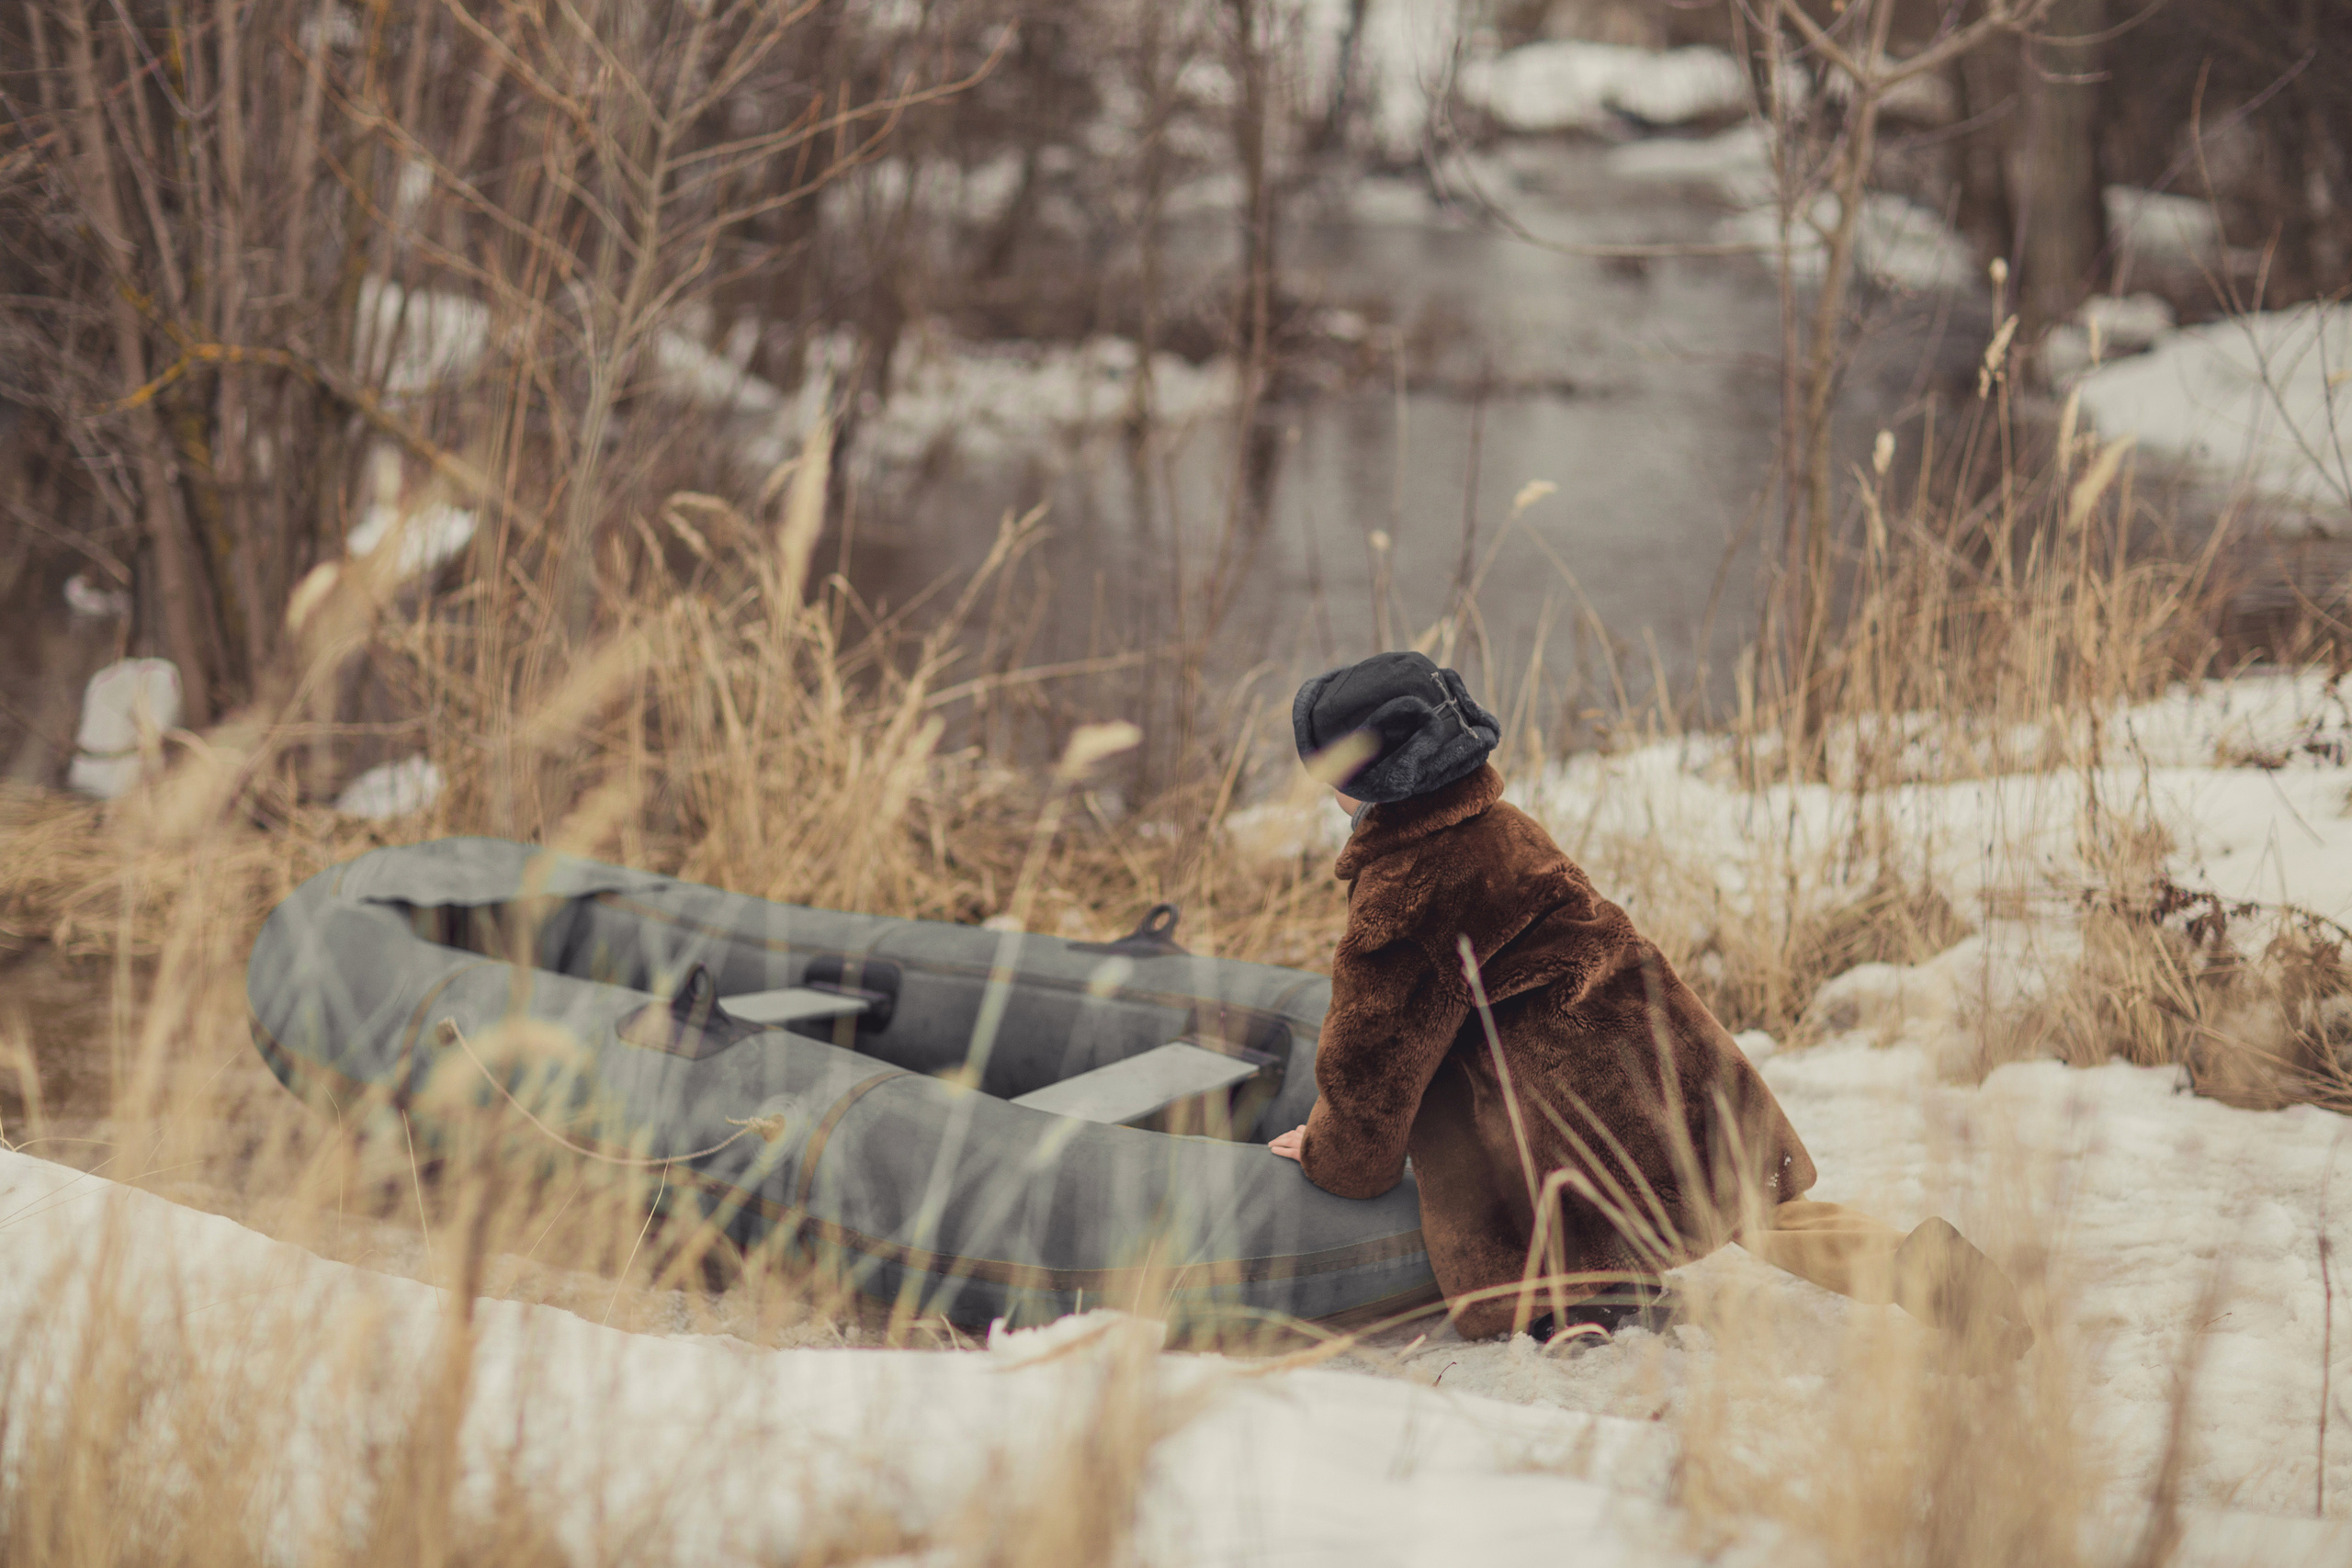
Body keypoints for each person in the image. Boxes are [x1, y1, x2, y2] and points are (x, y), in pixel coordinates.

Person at [1267, 650, 2030, 1356]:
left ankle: (1583, 1303)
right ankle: (1943, 1277)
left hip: (1575, 1098)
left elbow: (1374, 1061)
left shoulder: (1405, 888)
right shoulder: (1497, 824)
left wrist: (1334, 1154)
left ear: (1371, 780)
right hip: (1658, 1043)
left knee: (1556, 1232)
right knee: (1757, 1210)